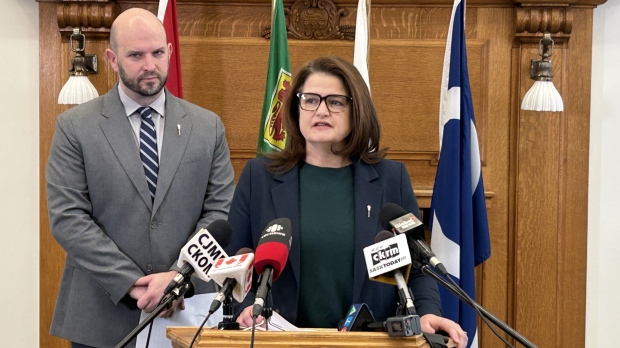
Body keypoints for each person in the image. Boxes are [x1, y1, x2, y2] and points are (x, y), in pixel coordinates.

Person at [225, 56, 467, 347]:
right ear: (295, 108)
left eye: (336, 102)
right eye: (310, 100)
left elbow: (417, 267)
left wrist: (427, 313)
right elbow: (234, 260)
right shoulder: (259, 177)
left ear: (357, 110)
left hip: (370, 342)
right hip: (278, 340)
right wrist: (245, 310)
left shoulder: (391, 179)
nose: (321, 110)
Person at [46, 8, 235, 348]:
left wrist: (178, 278)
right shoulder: (75, 128)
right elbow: (68, 219)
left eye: (157, 52)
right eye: (135, 55)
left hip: (188, 311)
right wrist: (134, 284)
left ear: (170, 52)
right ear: (113, 59)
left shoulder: (208, 127)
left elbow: (220, 213)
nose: (149, 65)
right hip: (102, 317)